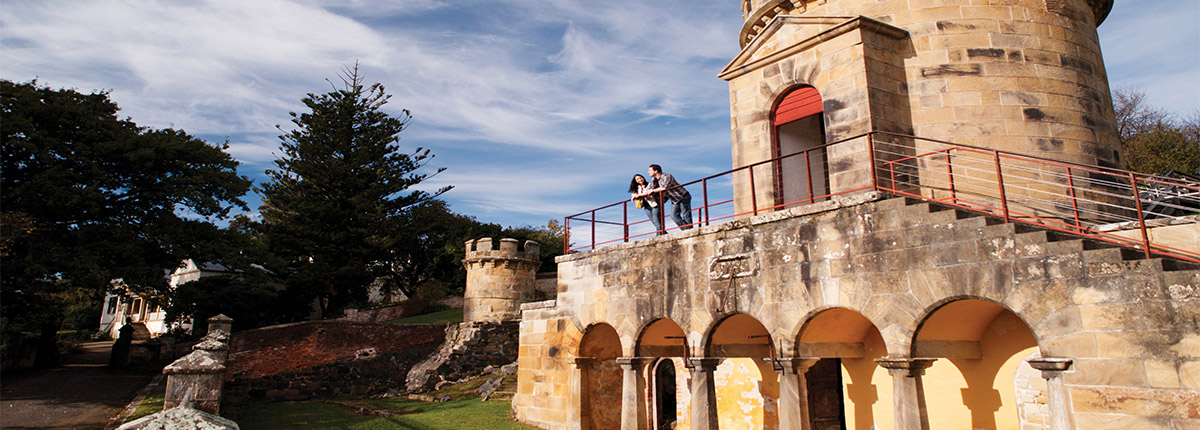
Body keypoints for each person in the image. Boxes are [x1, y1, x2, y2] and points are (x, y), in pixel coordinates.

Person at [646, 164, 693, 230]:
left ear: (656, 171)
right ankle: (687, 229)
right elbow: (648, 189)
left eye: (650, 170)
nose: (648, 172)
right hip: (674, 199)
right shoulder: (654, 180)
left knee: (686, 214)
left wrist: (652, 190)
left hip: (682, 195)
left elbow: (665, 187)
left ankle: (689, 230)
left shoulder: (666, 176)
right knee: (673, 215)